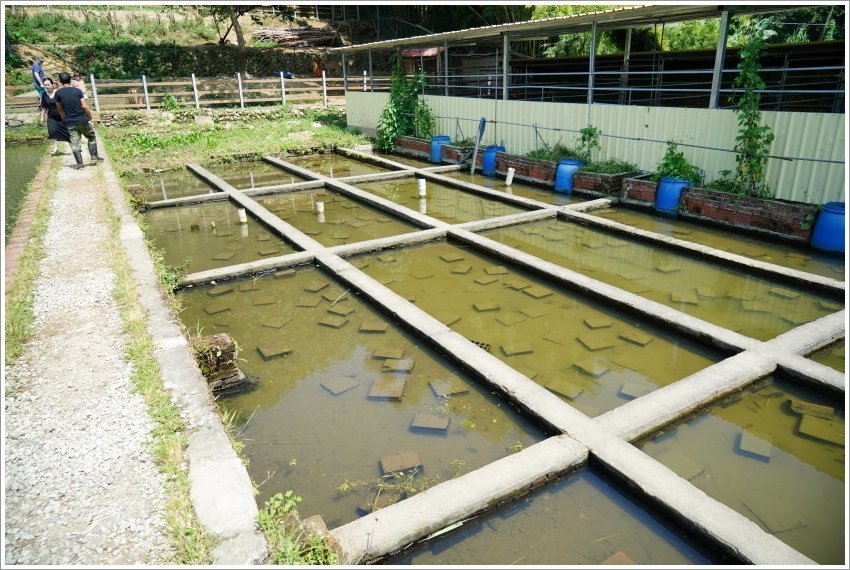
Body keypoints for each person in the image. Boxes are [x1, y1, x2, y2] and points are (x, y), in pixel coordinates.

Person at [54, 71, 103, 169]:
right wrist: (89, 116)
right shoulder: (77, 91)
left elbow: (59, 109)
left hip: (69, 122)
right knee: (91, 137)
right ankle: (94, 156)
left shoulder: (58, 93)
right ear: (70, 80)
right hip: (81, 119)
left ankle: (80, 164)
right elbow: (84, 106)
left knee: (75, 143)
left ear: (60, 82)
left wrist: (64, 118)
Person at [39, 77, 71, 156]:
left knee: (67, 133)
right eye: (45, 85)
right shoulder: (44, 95)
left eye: (48, 85)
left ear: (52, 84)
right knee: (52, 132)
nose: (47, 86)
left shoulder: (58, 93)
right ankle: (55, 148)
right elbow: (44, 107)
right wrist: (42, 117)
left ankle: (74, 147)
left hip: (62, 117)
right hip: (51, 117)